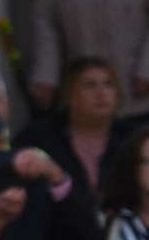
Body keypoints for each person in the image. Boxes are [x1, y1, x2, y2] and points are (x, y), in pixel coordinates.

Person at [21, 57, 125, 191]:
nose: (101, 93)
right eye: (90, 85)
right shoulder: (39, 137)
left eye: (108, 85)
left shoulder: (132, 138)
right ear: (70, 95)